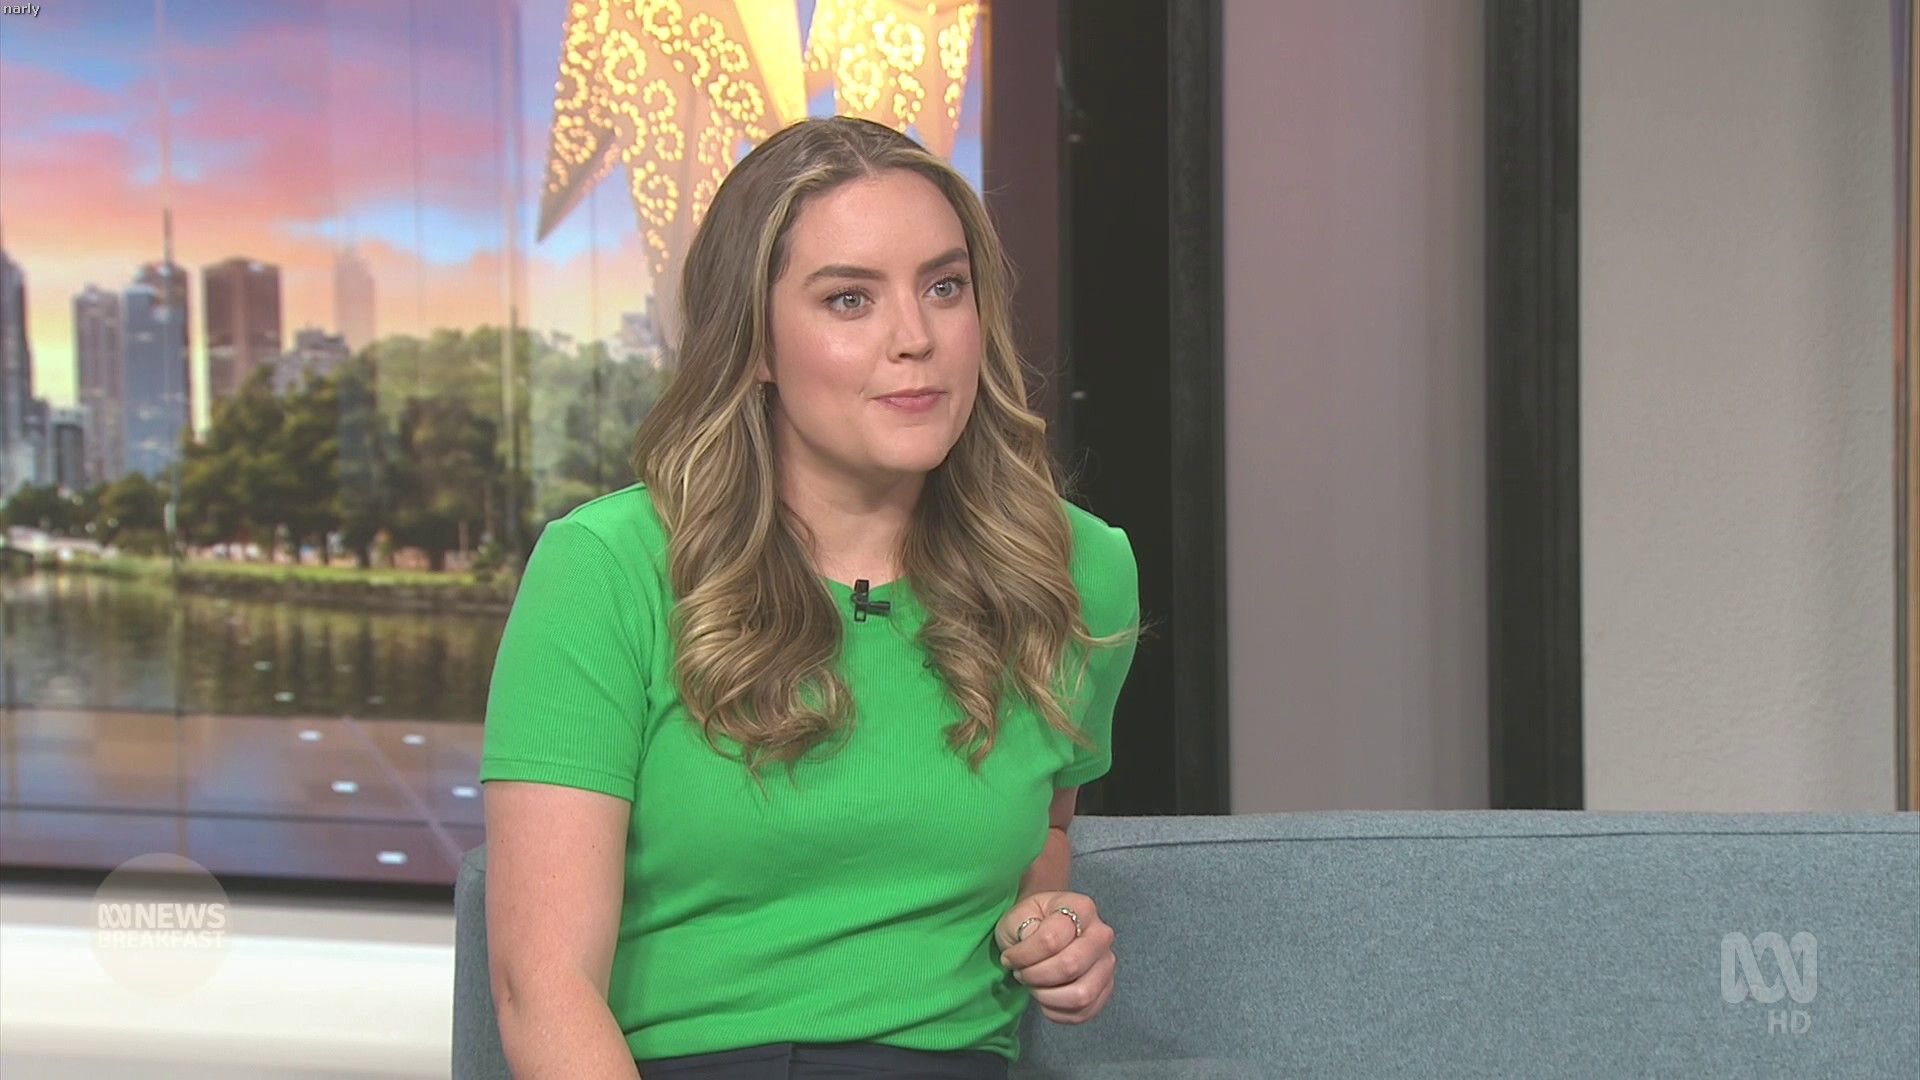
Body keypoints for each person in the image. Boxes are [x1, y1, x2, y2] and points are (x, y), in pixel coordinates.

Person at [479, 115, 1148, 1079]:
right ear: (755, 343)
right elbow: (540, 988)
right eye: (849, 300)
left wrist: (1045, 922)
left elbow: (1042, 829)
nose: (915, 340)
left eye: (944, 287)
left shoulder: (1073, 568)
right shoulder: (607, 569)